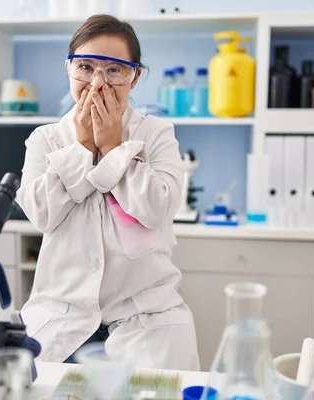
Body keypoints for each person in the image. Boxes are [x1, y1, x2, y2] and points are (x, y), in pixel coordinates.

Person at [16, 14, 200, 371]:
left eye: (115, 70)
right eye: (85, 66)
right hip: (61, 317)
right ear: (69, 68)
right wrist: (84, 147)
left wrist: (115, 147)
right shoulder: (45, 139)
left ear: (135, 76)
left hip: (146, 317)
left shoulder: (157, 133)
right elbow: (40, 214)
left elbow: (158, 208)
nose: (98, 82)